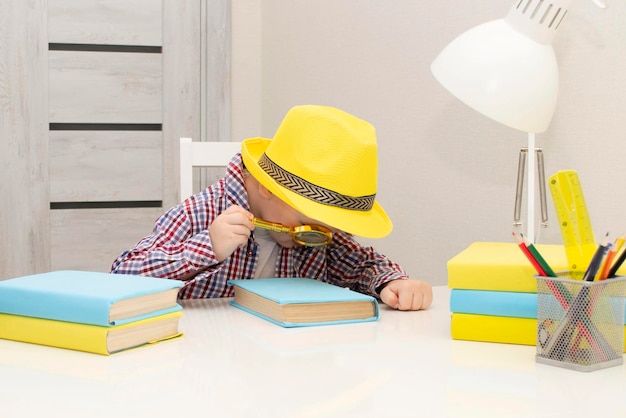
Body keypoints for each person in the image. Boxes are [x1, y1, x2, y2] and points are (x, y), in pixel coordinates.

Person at [111, 105, 432, 310]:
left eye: (332, 228)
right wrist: (205, 248)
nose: (323, 235)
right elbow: (120, 278)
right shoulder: (201, 212)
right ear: (268, 186)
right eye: (312, 221)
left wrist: (394, 283)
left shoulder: (317, 237)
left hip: (287, 363)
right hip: (204, 363)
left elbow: (363, 265)